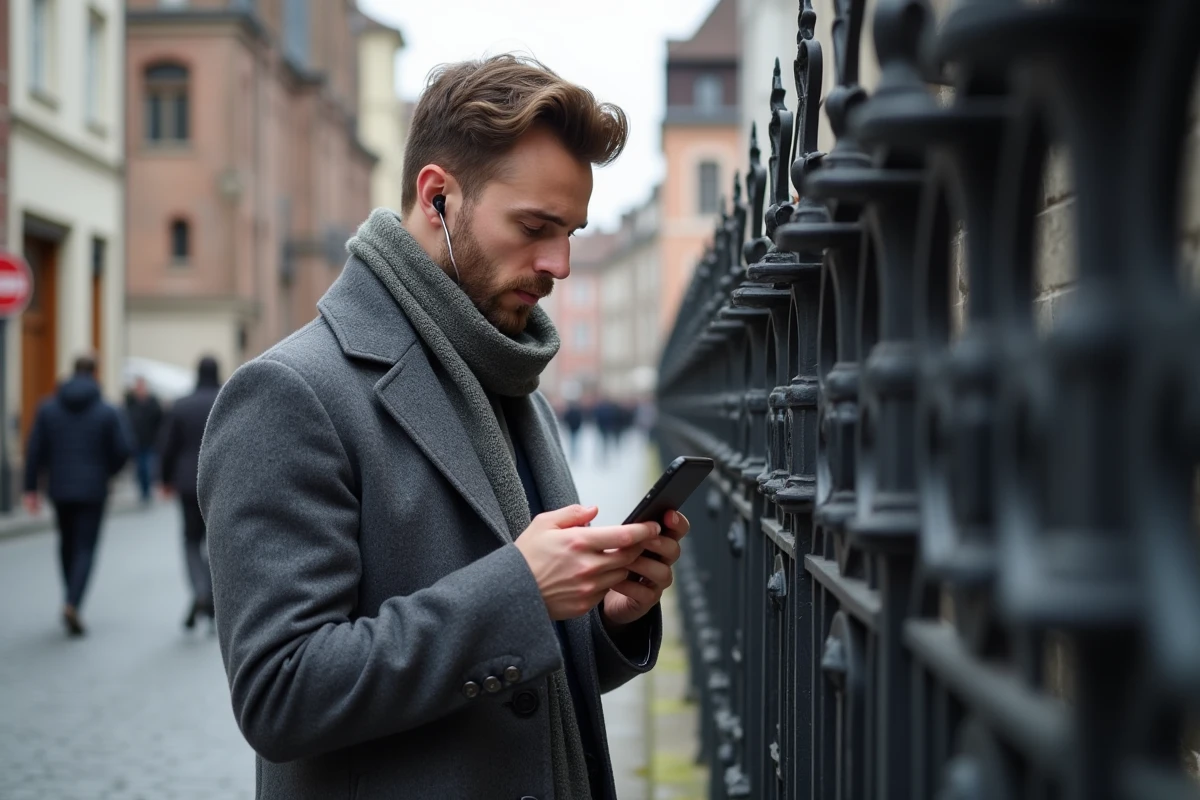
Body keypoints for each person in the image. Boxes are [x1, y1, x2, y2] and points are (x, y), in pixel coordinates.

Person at [199, 55, 691, 800]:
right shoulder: (290, 394)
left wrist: (612, 622)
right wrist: (521, 591)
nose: (559, 263)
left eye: (572, 232)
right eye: (535, 227)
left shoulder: (510, 378)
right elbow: (281, 691)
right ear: (437, 199)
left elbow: (519, 679)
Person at [24, 354, 132, 636]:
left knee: (67, 543)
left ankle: (69, 596)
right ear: (95, 374)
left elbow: (34, 450)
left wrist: (30, 488)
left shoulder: (47, 409)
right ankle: (73, 601)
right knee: (86, 547)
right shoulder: (107, 410)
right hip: (93, 489)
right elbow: (123, 449)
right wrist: (108, 471)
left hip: (59, 488)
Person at [158, 356, 222, 631]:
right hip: (220, 480)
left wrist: (164, 479)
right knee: (214, 542)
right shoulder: (226, 398)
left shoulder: (182, 405)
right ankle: (209, 596)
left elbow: (167, 445)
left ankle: (199, 591)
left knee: (189, 540)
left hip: (186, 482)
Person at [124, 375, 164, 504]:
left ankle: (147, 492)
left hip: (150, 441)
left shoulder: (153, 402)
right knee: (140, 468)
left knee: (147, 467)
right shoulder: (131, 402)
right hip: (136, 441)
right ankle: (143, 491)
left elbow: (160, 421)